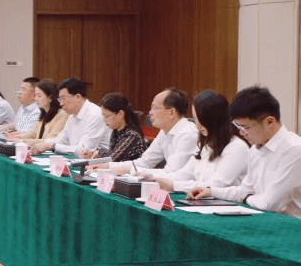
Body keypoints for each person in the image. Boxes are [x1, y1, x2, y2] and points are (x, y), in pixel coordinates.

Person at [189, 86, 301, 217]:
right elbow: (244, 190)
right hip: (265, 217)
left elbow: (269, 204)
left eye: (246, 127)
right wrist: (210, 191)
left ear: (270, 122)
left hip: (291, 224)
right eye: (239, 126)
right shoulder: (255, 149)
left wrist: (246, 197)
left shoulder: (294, 149)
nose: (242, 133)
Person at [151, 90, 248, 193]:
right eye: (195, 119)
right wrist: (153, 178)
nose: (198, 125)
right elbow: (184, 174)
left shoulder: (237, 147)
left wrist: (174, 185)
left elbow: (214, 185)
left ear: (216, 119)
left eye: (202, 119)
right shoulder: (206, 144)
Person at [106, 88, 198, 177]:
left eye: (154, 108)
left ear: (171, 112)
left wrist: (132, 170)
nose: (150, 112)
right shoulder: (164, 131)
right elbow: (145, 162)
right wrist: (107, 166)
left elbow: (171, 172)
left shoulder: (188, 134)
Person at [31, 77, 108, 155]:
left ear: (78, 97)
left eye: (63, 98)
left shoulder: (95, 115)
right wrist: (42, 145)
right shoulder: (72, 116)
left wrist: (51, 146)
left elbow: (84, 150)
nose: (61, 104)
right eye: (59, 99)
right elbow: (61, 141)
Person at [83, 93, 147, 163]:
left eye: (107, 116)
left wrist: (99, 153)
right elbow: (113, 153)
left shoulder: (132, 135)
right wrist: (95, 153)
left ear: (120, 114)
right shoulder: (116, 131)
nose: (104, 120)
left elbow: (112, 159)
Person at [7, 78, 68, 146]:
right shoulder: (44, 113)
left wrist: (22, 141)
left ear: (50, 98)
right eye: (35, 95)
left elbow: (50, 139)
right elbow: (33, 133)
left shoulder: (62, 115)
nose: (36, 99)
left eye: (39, 96)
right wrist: (17, 137)